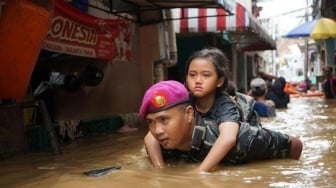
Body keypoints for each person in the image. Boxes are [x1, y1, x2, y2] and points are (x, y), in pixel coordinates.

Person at [140, 80, 303, 173]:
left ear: (189, 114)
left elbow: (295, 145)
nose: (157, 131)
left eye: (164, 120)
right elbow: (150, 138)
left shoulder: (241, 140)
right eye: (150, 122)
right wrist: (159, 170)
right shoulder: (161, 144)